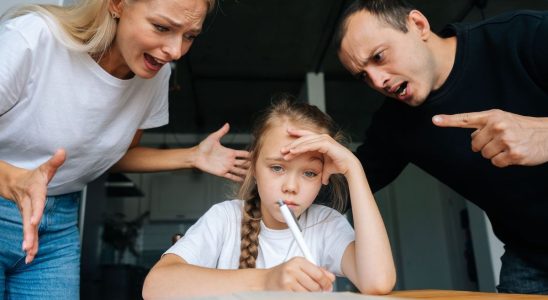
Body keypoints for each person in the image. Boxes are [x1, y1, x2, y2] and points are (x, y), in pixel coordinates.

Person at [0, 0, 250, 298]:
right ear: (117, 5)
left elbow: (112, 155)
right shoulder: (36, 37)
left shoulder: (156, 75)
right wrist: (12, 178)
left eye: (189, 36)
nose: (175, 51)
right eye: (161, 27)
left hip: (58, 224)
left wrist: (192, 156)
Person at [335, 0, 548, 295]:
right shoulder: (394, 125)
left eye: (379, 56)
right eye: (363, 76)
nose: (378, 80)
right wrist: (275, 170)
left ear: (418, 25)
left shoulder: (524, 35)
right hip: (530, 257)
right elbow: (342, 188)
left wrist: (544, 134)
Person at [142, 97, 396, 298]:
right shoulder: (226, 219)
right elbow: (156, 286)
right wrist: (267, 280)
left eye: (309, 173)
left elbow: (378, 282)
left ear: (323, 176)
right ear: (254, 167)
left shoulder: (325, 224)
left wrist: (354, 169)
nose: (291, 187)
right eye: (277, 168)